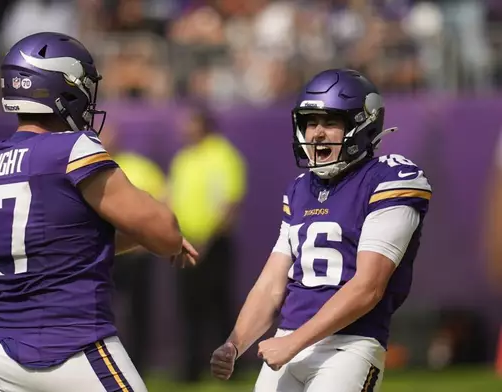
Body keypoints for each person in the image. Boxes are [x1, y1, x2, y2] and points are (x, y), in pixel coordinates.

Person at [0, 32, 198, 392]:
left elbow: (61, 243)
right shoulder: (71, 149)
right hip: (72, 346)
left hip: (0, 353)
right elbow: (165, 231)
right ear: (63, 88)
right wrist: (166, 237)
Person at [210, 69, 432, 391]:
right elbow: (272, 283)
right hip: (288, 341)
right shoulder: (301, 188)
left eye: (330, 122)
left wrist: (294, 342)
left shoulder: (390, 179)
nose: (316, 133)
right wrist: (235, 343)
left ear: (362, 124)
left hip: (349, 345)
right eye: (310, 122)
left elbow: (368, 287)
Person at [168, 109, 247, 383]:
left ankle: (231, 366)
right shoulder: (183, 158)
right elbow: (172, 199)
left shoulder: (223, 154)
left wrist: (207, 240)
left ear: (203, 125)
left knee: (219, 306)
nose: (184, 129)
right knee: (189, 308)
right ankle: (192, 369)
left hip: (214, 244)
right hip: (185, 244)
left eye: (189, 123)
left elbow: (230, 202)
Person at [100, 123, 168, 375]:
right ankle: (103, 361)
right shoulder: (86, 170)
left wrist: (147, 239)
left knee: (138, 310)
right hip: (102, 254)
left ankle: (137, 363)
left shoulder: (139, 167)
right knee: (100, 308)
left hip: (135, 255)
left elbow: (162, 203)